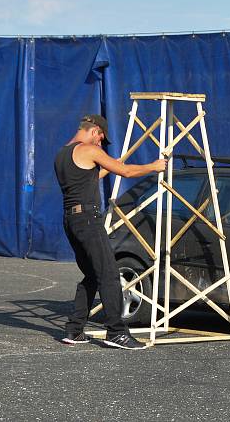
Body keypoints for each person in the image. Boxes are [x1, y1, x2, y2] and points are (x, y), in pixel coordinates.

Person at [54, 114, 167, 350]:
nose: (99, 145)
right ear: (94, 131)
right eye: (100, 139)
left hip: (71, 220)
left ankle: (74, 330)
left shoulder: (63, 154)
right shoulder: (88, 150)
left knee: (93, 275)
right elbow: (124, 172)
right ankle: (116, 332)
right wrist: (153, 167)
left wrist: (115, 162)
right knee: (109, 274)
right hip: (88, 220)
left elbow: (94, 175)